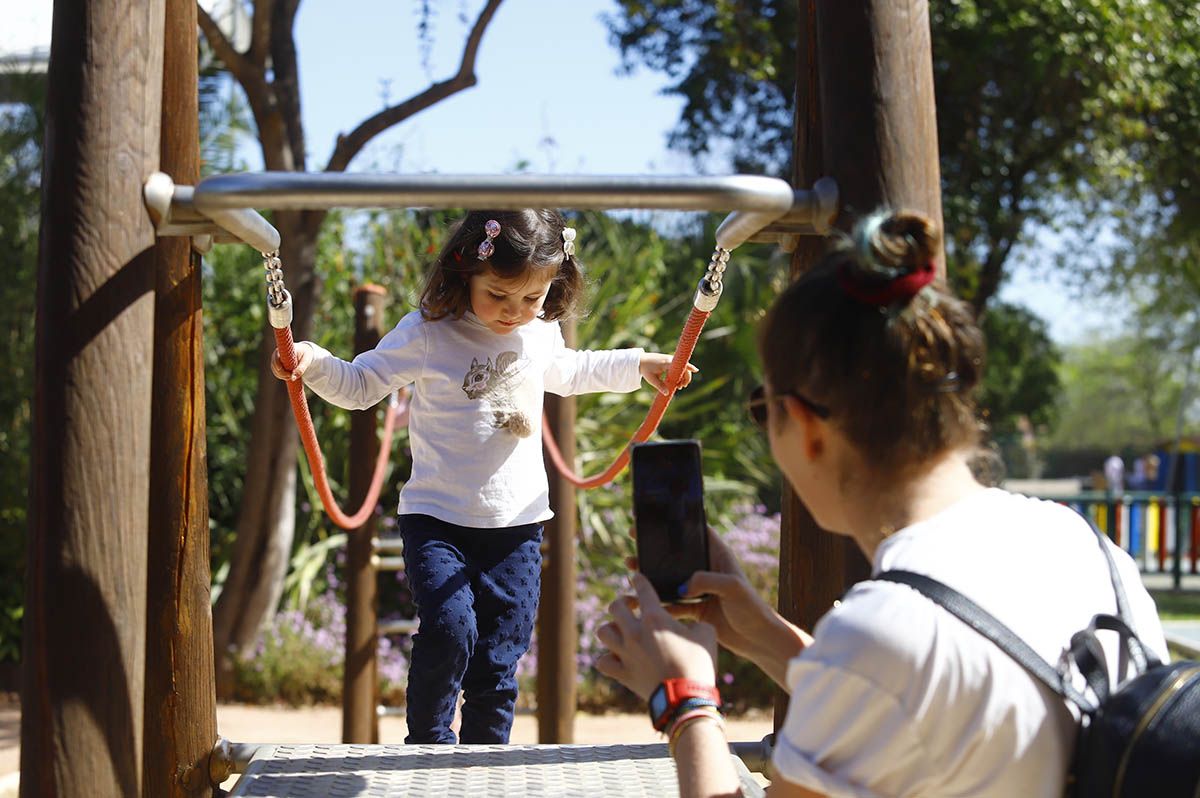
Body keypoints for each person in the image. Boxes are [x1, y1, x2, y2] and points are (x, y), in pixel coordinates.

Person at [594, 210, 1168, 797]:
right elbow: (927, 708)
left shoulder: (887, 634)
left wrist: (684, 700)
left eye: (762, 408)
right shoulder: (1082, 544)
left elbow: (898, 679)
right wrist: (761, 632)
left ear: (803, 424)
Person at [272, 209, 696, 745]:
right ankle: (427, 745)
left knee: (500, 655)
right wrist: (309, 361)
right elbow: (361, 385)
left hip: (517, 524)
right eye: (498, 295)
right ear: (465, 271)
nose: (513, 312)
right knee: (451, 631)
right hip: (437, 521)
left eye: (532, 299)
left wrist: (640, 364)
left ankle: (485, 762)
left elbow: (573, 371)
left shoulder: (538, 334)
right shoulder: (430, 332)